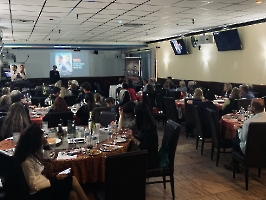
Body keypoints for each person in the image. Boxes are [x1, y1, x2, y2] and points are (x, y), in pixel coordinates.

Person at [14, 124, 88, 200]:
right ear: (34, 143)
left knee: (73, 195)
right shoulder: (27, 161)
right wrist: (54, 180)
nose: (41, 144)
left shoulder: (30, 154)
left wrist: (46, 145)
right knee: (72, 180)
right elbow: (34, 186)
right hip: (37, 193)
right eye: (41, 141)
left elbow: (47, 159)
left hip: (44, 184)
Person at [225, 98, 266, 171]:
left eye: (250, 106)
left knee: (235, 139)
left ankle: (235, 166)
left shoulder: (249, 122)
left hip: (250, 150)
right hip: (264, 149)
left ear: (253, 108)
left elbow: (243, 138)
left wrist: (238, 129)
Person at [127, 103, 159, 169]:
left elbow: (144, 147)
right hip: (146, 156)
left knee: (124, 160)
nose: (135, 117)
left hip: (149, 161)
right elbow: (142, 140)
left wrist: (133, 138)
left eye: (136, 115)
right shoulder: (146, 125)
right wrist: (132, 135)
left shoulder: (148, 129)